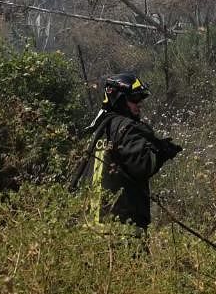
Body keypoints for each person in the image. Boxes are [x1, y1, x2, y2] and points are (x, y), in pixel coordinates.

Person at [70, 72, 182, 231]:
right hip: (121, 230)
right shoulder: (126, 128)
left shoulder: (97, 130)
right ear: (119, 99)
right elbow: (143, 164)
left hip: (88, 228)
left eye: (140, 99)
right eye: (134, 99)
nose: (139, 104)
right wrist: (162, 151)